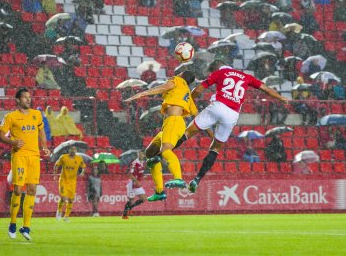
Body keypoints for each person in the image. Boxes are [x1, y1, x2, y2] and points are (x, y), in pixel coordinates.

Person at [164, 59, 289, 193]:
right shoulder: (246, 76)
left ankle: (162, 153)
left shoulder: (220, 72)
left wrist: (189, 101)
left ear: (216, 68)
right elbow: (266, 89)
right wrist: (281, 98)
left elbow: (199, 89)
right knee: (215, 148)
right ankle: (197, 179)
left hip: (218, 106)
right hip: (232, 114)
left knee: (188, 133)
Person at [124, 70, 198, 202]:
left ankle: (178, 178)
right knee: (150, 155)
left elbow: (165, 87)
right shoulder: (186, 92)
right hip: (174, 124)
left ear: (182, 76)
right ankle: (159, 191)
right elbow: (196, 114)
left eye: (179, 73)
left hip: (173, 121)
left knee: (165, 150)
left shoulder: (177, 80)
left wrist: (143, 93)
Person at [0, 88, 50, 241]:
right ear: (18, 100)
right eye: (25, 97)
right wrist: (13, 142)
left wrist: (45, 147)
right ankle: (13, 223)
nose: (28, 99)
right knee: (18, 190)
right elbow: (0, 136)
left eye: (29, 97)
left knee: (33, 189)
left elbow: (41, 131)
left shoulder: (37, 114)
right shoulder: (11, 117)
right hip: (19, 156)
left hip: (34, 156)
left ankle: (26, 226)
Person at [53, 146, 86, 221]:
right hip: (63, 180)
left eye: (74, 149)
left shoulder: (79, 158)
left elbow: (84, 167)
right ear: (69, 150)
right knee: (63, 198)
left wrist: (82, 172)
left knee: (71, 199)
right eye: (71, 149)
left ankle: (66, 216)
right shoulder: (63, 157)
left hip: (72, 182)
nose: (73, 151)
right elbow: (56, 165)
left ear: (76, 150)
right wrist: (55, 175)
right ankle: (59, 212)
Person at [122, 151, 146, 219]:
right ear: (138, 155)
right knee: (131, 200)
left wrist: (142, 177)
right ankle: (124, 215)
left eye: (142, 153)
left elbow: (139, 173)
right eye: (140, 153)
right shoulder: (135, 163)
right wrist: (136, 181)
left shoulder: (142, 163)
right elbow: (130, 174)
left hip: (137, 184)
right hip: (132, 184)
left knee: (143, 199)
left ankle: (130, 208)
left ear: (144, 155)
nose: (141, 155)